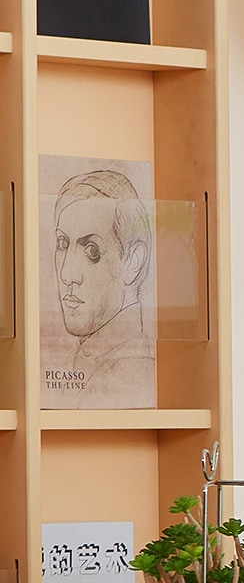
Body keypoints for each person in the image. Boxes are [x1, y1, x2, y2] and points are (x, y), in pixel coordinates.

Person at [47, 165, 153, 407]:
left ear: (133, 262)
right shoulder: (94, 362)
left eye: (91, 250)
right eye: (63, 243)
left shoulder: (132, 371)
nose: (67, 274)